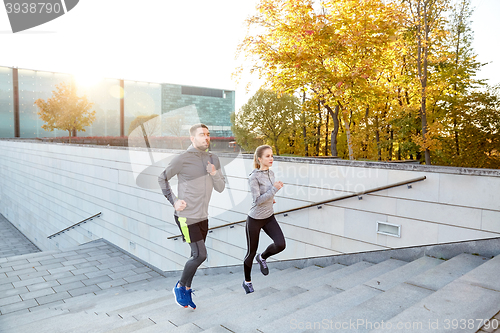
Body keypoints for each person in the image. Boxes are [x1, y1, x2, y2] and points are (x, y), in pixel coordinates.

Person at [158, 123, 225, 309]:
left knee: (194, 256)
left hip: (203, 216)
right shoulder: (182, 158)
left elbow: (220, 187)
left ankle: (187, 288)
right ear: (192, 138)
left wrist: (214, 173)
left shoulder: (213, 159)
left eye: (208, 134)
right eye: (201, 135)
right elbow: (162, 177)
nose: (206, 138)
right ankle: (179, 287)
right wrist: (174, 201)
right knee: (200, 255)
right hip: (186, 217)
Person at [242, 145, 286, 294]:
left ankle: (263, 257)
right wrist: (274, 190)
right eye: (267, 156)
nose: (271, 158)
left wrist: (271, 198)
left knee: (280, 244)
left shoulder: (271, 173)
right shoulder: (253, 177)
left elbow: (266, 195)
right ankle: (247, 281)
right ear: (259, 159)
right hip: (255, 219)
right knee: (250, 253)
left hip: (269, 217)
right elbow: (257, 200)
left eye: (272, 155)